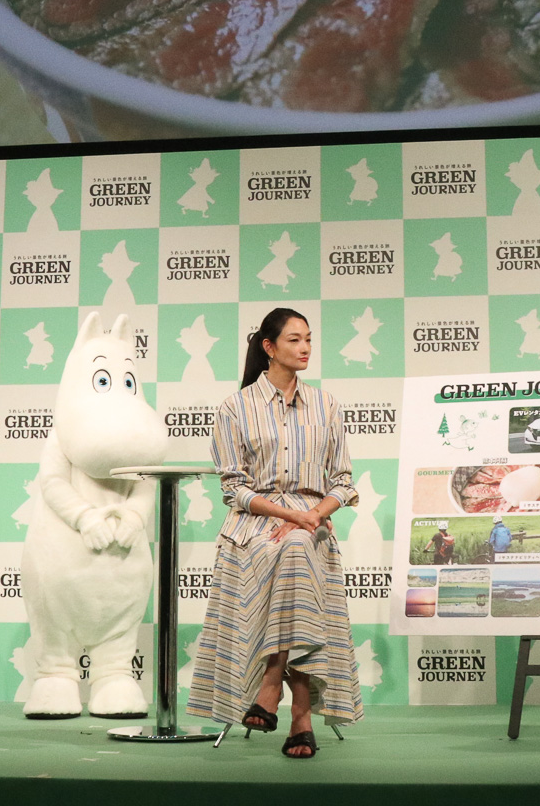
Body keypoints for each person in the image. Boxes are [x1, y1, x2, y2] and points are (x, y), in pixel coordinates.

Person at [188, 308, 360, 759]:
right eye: (294, 341)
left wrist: (310, 515)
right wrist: (289, 514)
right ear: (269, 347)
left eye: (309, 340)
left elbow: (343, 483)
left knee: (298, 547)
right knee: (293, 550)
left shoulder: (327, 406)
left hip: (311, 518)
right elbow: (234, 488)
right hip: (253, 524)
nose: (304, 349)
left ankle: (272, 684)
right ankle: (300, 716)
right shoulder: (235, 408)